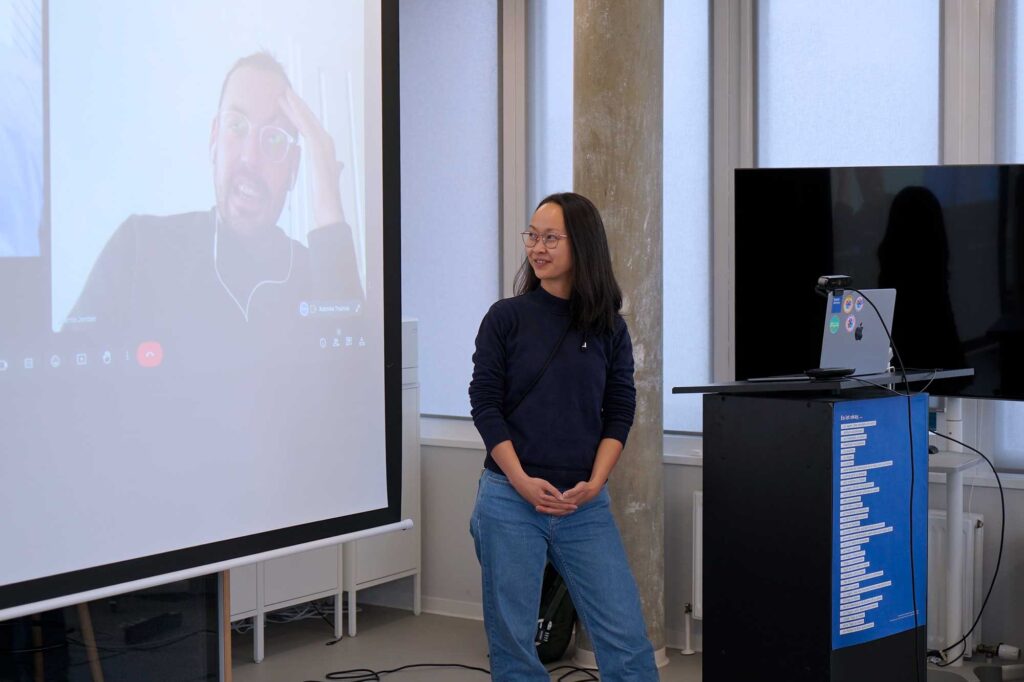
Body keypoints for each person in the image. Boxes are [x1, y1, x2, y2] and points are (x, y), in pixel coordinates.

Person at [63, 51, 363, 368]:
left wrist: (328, 190)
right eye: (236, 126)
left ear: (293, 168)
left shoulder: (316, 276)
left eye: (274, 139)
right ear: (213, 140)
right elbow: (67, 385)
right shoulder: (139, 247)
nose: (250, 157)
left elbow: (354, 382)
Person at [468, 192, 658, 680]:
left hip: (583, 504)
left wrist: (596, 483)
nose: (538, 247)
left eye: (551, 237)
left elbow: (619, 410)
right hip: (510, 499)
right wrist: (521, 480)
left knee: (627, 642)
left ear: (584, 244)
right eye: (533, 235)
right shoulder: (505, 318)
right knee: (513, 649)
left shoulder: (609, 328)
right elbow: (485, 405)